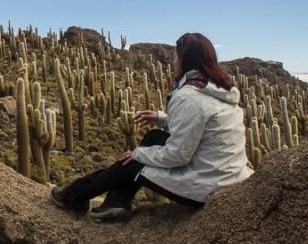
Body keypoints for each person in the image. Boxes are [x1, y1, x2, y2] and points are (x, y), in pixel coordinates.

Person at [50, 32, 254, 221]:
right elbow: (202, 123)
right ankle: (116, 203)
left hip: (207, 185)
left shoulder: (189, 96)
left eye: (176, 57)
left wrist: (138, 154)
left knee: (130, 163)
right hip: (225, 173)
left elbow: (178, 156)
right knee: (154, 137)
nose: (174, 62)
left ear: (185, 59)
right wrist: (161, 118)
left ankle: (72, 195)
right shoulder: (217, 88)